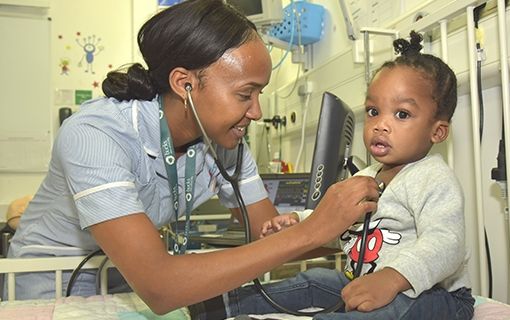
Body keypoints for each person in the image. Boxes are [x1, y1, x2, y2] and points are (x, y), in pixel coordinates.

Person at [5, 0, 381, 314]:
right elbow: (160, 286)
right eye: (245, 94)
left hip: (122, 281)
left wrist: (376, 235)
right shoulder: (96, 134)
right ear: (185, 84)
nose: (257, 112)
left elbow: (265, 231)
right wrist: (312, 230)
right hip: (49, 283)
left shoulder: (226, 142)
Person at [194, 31, 475, 320]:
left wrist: (392, 278)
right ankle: (223, 306)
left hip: (434, 296)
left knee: (396, 309)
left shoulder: (433, 178)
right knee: (316, 279)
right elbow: (336, 225)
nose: (380, 125)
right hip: (361, 284)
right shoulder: (365, 177)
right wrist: (297, 223)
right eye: (374, 111)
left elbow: (447, 244)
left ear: (437, 131)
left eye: (401, 114)